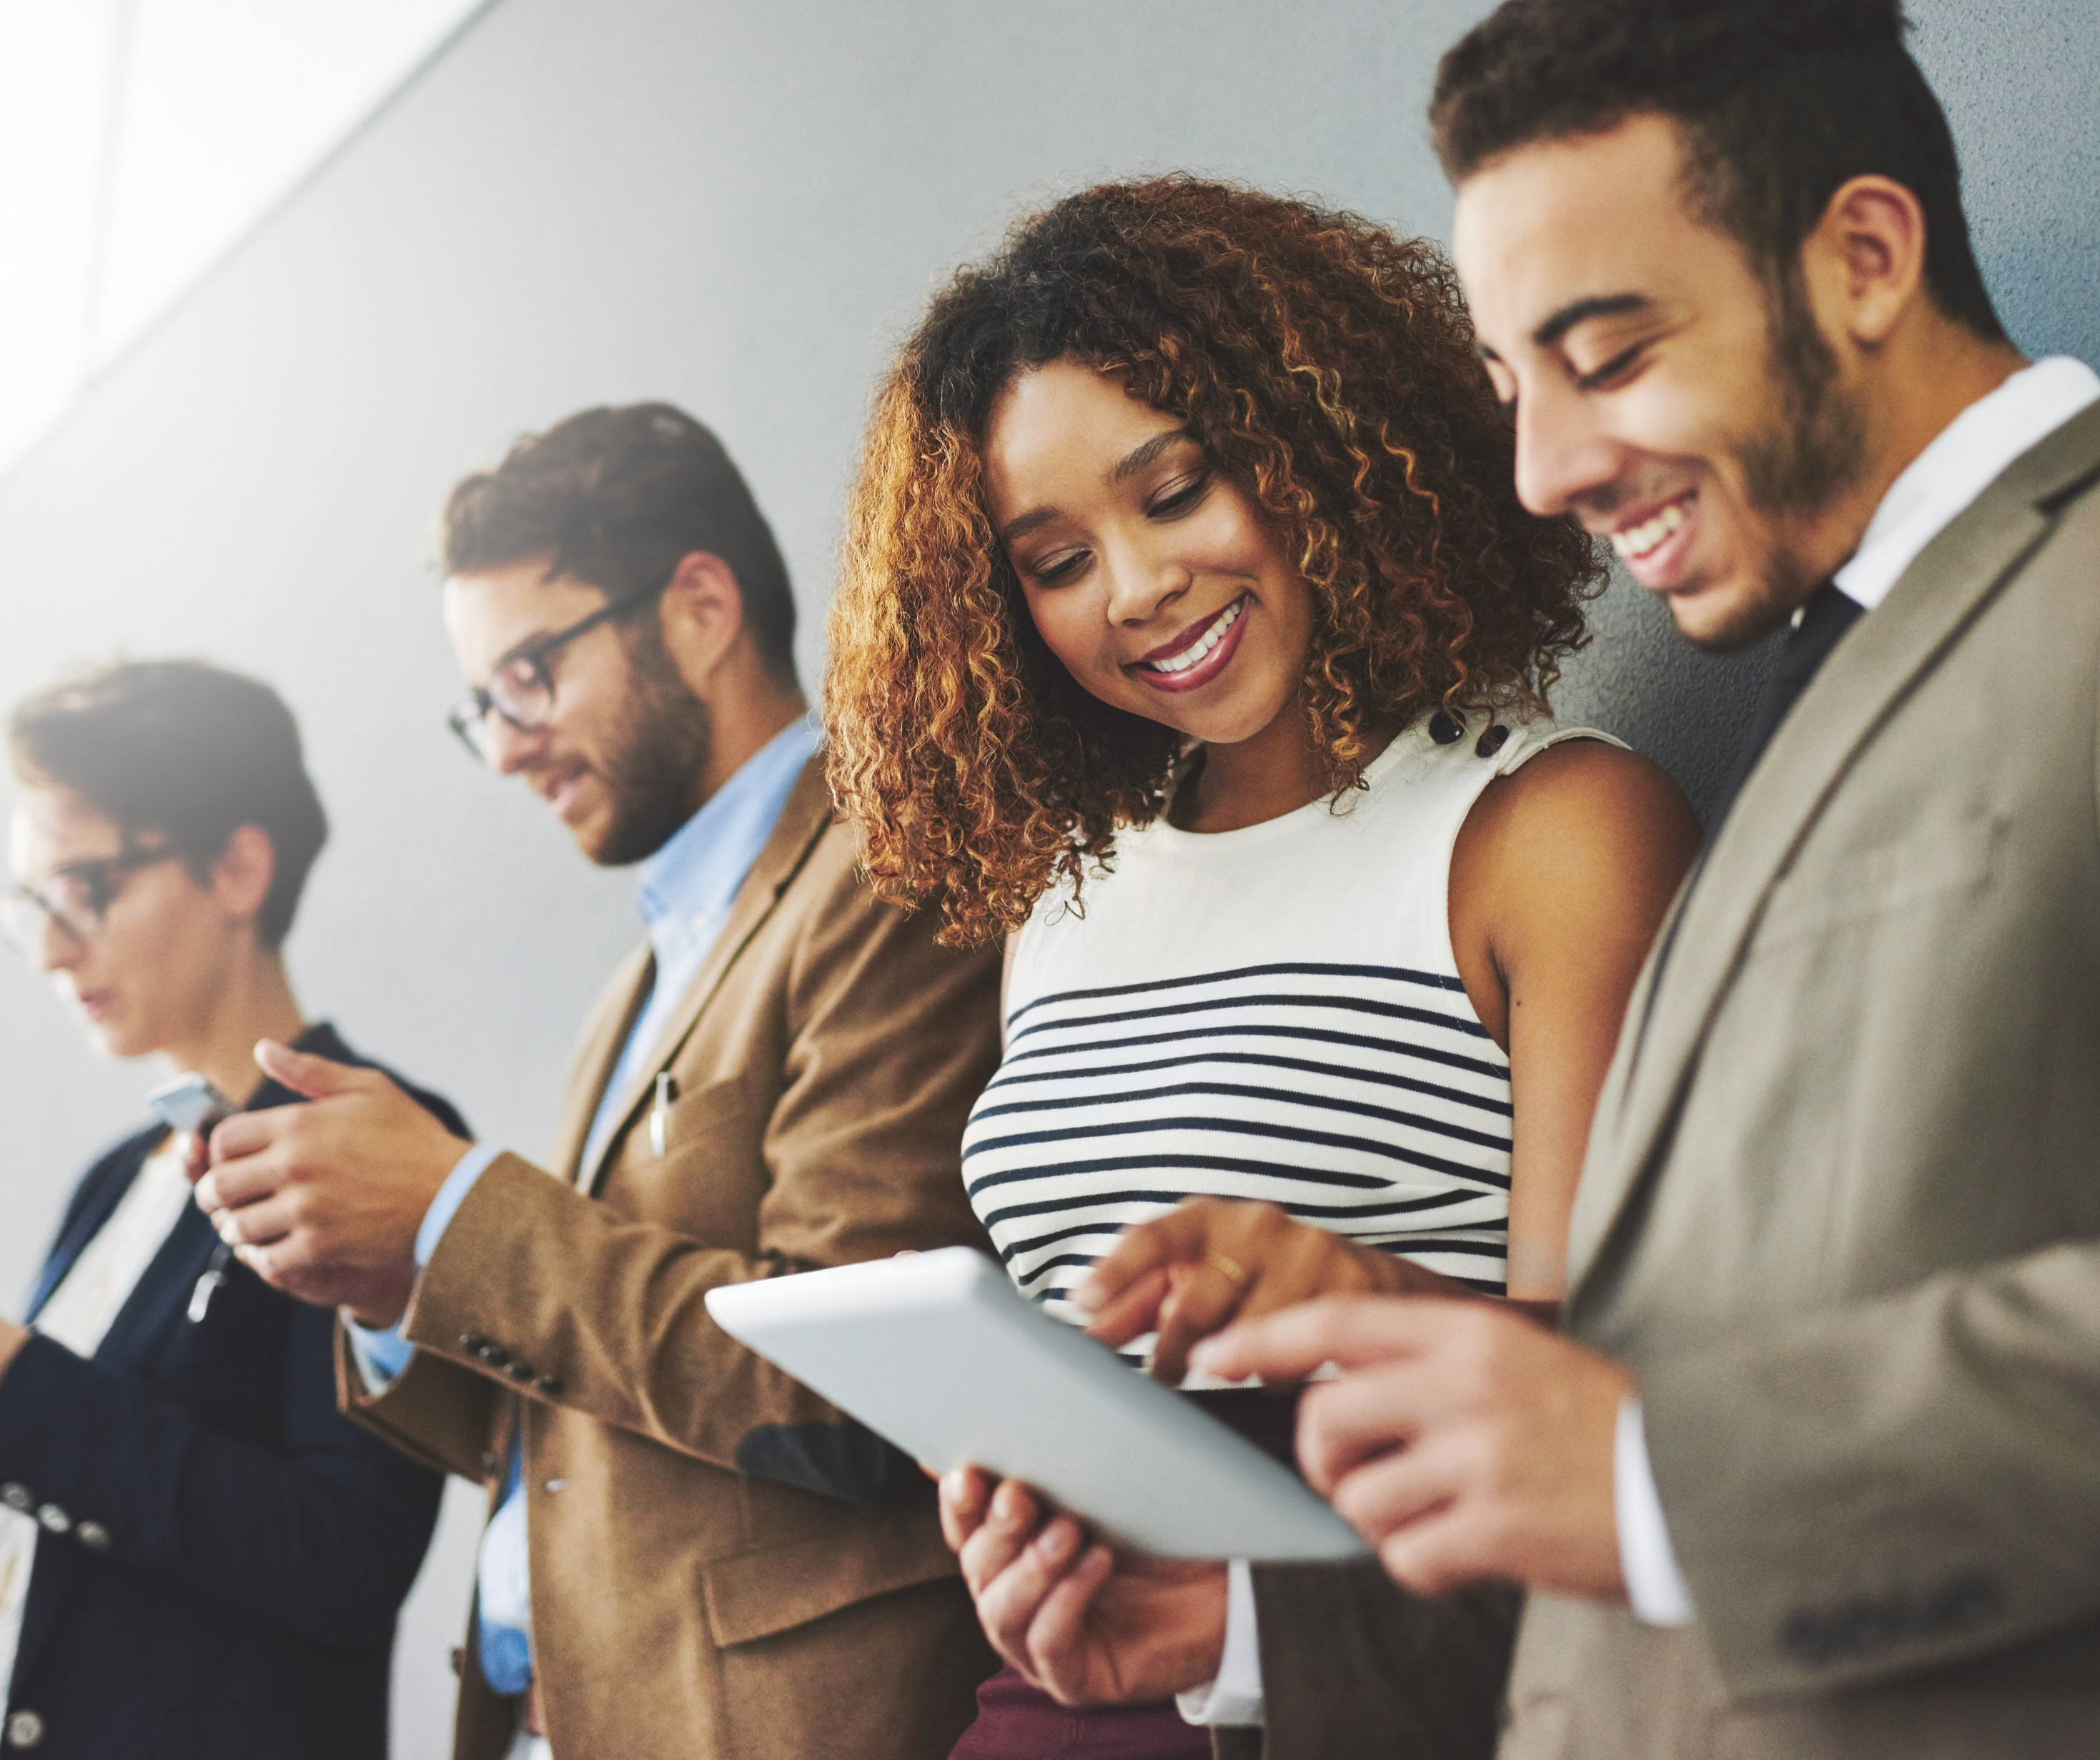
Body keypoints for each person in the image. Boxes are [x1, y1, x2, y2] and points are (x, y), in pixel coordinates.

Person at [1197, 2, 2100, 1756]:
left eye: (1604, 358)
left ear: (1859, 255)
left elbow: (1682, 1468)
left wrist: (1641, 1465)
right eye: (1511, 387)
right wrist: (1260, 1589)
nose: (1541, 474)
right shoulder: (1808, 664)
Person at [823, 177, 1700, 1757]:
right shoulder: (1068, 898)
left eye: (1172, 492)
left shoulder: (1549, 832)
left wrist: (1346, 1299)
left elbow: (1619, 1396)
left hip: (1355, 1688)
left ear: (1315, 450)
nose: (1135, 588)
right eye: (1054, 556)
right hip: (1054, 1698)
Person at [190, 404, 1004, 1760]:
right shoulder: (632, 985)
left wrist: (458, 1214)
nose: (505, 744)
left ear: (697, 607)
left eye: (531, 674)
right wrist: (397, 1289)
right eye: (482, 705)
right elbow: (591, 1413)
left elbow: (853, 1383)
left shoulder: (884, 872)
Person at [0, 660, 455, 1759]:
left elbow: (349, 1557)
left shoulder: (371, 1135)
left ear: (238, 867)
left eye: (83, 888)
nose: (52, 948)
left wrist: (22, 1386)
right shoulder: (113, 1177)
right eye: (30, 903)